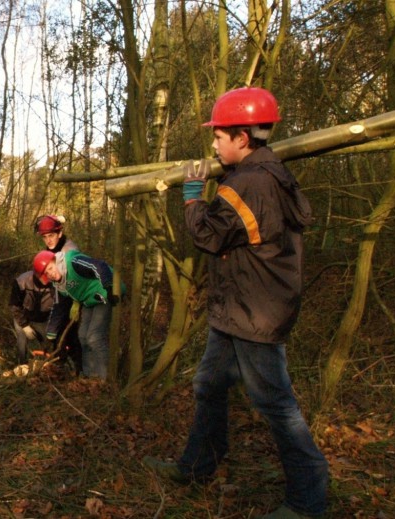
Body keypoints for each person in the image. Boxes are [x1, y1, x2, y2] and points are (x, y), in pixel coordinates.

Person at [141, 87, 328, 519]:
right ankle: (198, 465)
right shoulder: (266, 173)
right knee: (208, 384)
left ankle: (307, 501)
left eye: (219, 135)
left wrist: (191, 198)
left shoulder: (249, 183)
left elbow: (209, 235)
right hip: (238, 309)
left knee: (276, 405)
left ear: (243, 137)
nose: (213, 142)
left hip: (254, 312)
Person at [35, 249, 117, 379]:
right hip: (89, 300)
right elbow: (59, 308)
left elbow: (99, 265)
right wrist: (50, 335)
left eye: (50, 268)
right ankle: (89, 375)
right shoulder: (59, 285)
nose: (50, 273)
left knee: (94, 337)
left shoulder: (72, 262)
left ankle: (104, 378)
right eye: (47, 273)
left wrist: (109, 286)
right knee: (82, 336)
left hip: (106, 294)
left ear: (55, 261)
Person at [34, 214, 83, 371]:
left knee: (74, 338)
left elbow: (77, 280)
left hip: (75, 300)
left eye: (51, 236)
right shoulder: (50, 250)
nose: (48, 240)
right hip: (60, 300)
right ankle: (61, 370)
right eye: (45, 237)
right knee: (59, 338)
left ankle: (80, 373)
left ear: (59, 233)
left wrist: (76, 302)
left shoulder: (69, 251)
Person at [8, 262, 56, 366]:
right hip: (23, 315)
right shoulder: (22, 281)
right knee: (22, 343)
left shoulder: (56, 282)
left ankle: (46, 367)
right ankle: (22, 365)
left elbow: (59, 307)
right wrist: (24, 325)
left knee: (47, 343)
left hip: (44, 318)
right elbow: (14, 305)